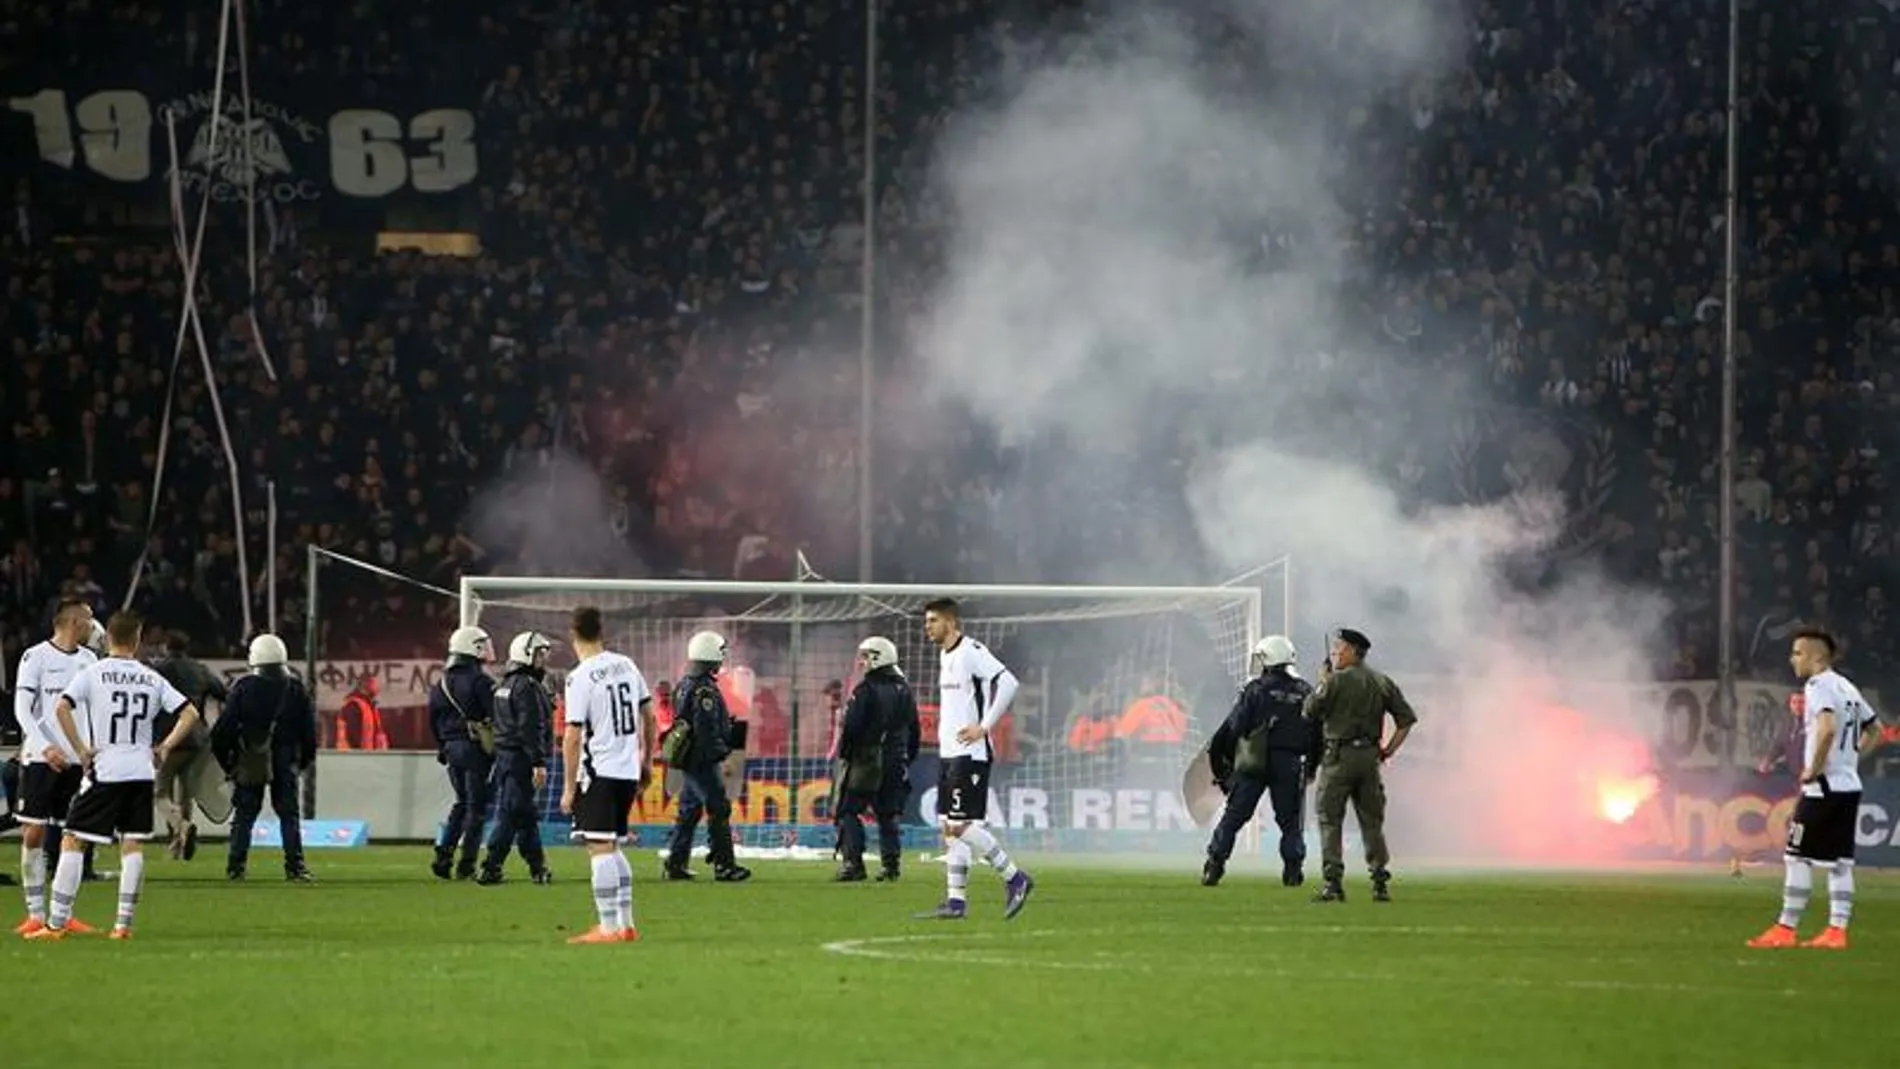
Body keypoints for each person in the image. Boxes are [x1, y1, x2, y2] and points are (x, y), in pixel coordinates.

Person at [27, 612, 203, 940]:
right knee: (131, 844)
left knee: (72, 839)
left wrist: (80, 749)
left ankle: (56, 924)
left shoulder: (93, 673)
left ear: (107, 638)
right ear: (137, 641)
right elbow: (190, 713)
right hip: (140, 770)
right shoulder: (150, 677)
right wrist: (164, 747)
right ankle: (122, 926)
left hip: (106, 770)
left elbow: (62, 707)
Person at [1747, 627, 1881, 950]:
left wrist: (1815, 767)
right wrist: (1849, 759)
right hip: (1849, 786)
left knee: (1796, 857)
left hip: (1822, 789)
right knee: (1839, 862)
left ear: (1816, 655)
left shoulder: (1818, 685)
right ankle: (1836, 931)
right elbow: (1875, 728)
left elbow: (1827, 727)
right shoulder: (1847, 687)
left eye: (1797, 652)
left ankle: (1786, 928)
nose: (1792, 659)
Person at [916, 598, 1034, 920]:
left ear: (951, 623)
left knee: (959, 825)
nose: (927, 627)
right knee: (947, 827)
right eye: (926, 621)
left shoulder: (971, 651)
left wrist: (984, 727)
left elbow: (1009, 682)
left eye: (933, 621)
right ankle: (955, 902)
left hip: (970, 755)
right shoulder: (945, 654)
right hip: (950, 753)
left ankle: (1015, 877)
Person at [1301, 627, 1417, 904]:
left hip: (1338, 757)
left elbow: (1309, 710)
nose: (1335, 652)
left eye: (1339, 647)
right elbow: (1406, 720)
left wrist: (1323, 681)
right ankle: (1379, 880)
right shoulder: (1381, 681)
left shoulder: (1335, 681)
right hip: (1369, 759)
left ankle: (1333, 883)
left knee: (1330, 819)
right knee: (1371, 822)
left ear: (1352, 650)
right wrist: (1387, 750)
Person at [559, 605, 651, 944]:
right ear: (602, 631)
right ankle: (626, 925)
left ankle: (608, 927)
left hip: (598, 773)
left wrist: (569, 788)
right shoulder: (626, 664)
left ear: (573, 634)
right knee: (612, 846)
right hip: (627, 772)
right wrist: (646, 761)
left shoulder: (579, 677)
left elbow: (572, 736)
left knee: (599, 847)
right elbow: (650, 715)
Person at [1201, 634, 1318, 888]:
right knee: (1291, 821)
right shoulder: (1306, 691)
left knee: (1233, 817)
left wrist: (1226, 766)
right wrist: (1311, 767)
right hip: (1290, 762)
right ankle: (1293, 871)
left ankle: (1215, 865)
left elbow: (1234, 728)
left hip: (1254, 761)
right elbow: (1316, 733)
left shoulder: (1255, 689)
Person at [12, 598, 97, 935]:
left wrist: (90, 750)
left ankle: (63, 914)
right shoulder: (36, 657)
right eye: (90, 620)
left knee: (73, 837)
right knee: (33, 832)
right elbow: (23, 708)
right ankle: (35, 912)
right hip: (40, 758)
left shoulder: (90, 660)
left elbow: (90, 712)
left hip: (76, 761)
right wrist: (46, 747)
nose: (94, 626)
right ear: (74, 622)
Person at [211, 634, 318, 883]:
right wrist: (301, 763)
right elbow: (309, 735)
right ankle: (296, 867)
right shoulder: (296, 689)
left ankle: (236, 867)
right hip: (286, 758)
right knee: (289, 815)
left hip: (251, 758)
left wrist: (229, 764)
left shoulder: (244, 688)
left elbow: (222, 731)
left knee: (245, 816)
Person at [661, 631, 753, 883]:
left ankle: (675, 863)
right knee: (719, 807)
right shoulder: (704, 691)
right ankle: (724, 865)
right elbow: (706, 730)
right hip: (701, 760)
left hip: (688, 758)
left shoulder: (683, 684)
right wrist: (723, 755)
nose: (723, 659)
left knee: (689, 811)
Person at [832, 636, 921, 883]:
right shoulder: (905, 690)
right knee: (888, 813)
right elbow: (914, 729)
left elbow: (852, 727)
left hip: (868, 759)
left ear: (876, 657)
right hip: (896, 759)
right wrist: (906, 758)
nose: (861, 662)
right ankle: (891, 866)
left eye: (865, 656)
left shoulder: (866, 690)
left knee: (848, 810)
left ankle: (853, 864)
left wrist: (847, 754)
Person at [478, 631, 555, 886]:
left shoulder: (507, 684)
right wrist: (538, 762)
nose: (543, 659)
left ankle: (536, 866)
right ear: (526, 654)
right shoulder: (527, 687)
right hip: (520, 758)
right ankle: (491, 866)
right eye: (539, 654)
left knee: (523, 813)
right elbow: (528, 728)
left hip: (508, 758)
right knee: (514, 813)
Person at [151, 631, 228, 861]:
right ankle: (180, 845)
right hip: (197, 739)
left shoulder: (160, 670)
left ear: (166, 647)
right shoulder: (200, 669)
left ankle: (179, 828)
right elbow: (223, 693)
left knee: (160, 791)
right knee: (186, 793)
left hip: (170, 737)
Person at [429, 625, 496, 880]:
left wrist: (442, 746)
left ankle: (443, 855)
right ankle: (466, 864)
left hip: (450, 749)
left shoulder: (441, 682)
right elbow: (494, 715)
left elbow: (432, 720)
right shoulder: (480, 681)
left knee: (461, 803)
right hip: (475, 749)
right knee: (476, 809)